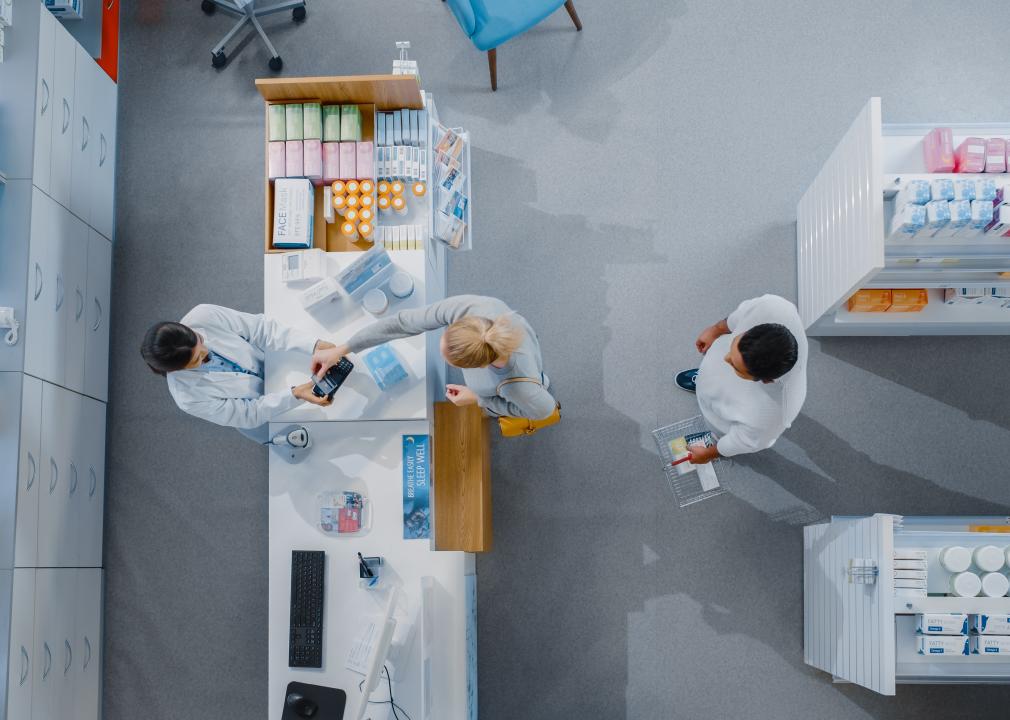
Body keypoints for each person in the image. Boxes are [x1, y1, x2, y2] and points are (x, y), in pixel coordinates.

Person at [311, 295, 557, 420]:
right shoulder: (470, 309)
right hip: (520, 339)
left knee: (537, 385)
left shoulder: (518, 387)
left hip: (527, 375)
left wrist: (479, 398)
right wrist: (343, 348)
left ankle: (542, 378)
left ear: (477, 366)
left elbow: (543, 412)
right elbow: (403, 323)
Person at [140, 304, 334, 443]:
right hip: (258, 413)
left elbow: (260, 328)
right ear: (177, 370)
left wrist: (312, 344)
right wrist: (295, 394)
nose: (206, 353)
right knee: (302, 440)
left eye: (200, 341)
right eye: (197, 360)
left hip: (273, 367)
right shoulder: (187, 397)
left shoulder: (203, 316)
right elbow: (249, 414)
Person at [674, 294, 807, 463]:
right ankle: (703, 381)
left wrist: (707, 454)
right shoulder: (773, 308)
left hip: (731, 415)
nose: (725, 358)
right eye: (733, 345)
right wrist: (716, 330)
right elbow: (740, 315)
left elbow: (739, 442)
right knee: (715, 370)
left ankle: (711, 391)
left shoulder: (768, 417)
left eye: (735, 367)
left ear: (765, 380)